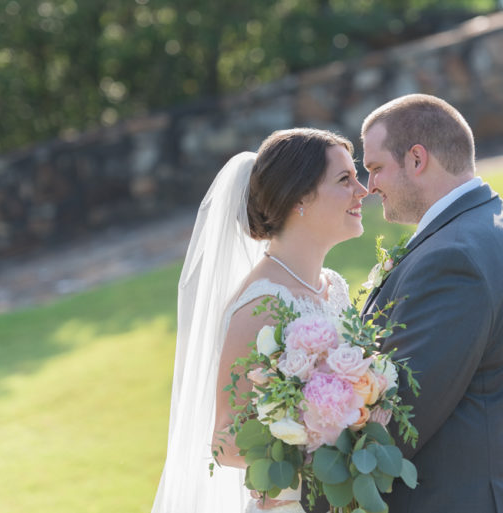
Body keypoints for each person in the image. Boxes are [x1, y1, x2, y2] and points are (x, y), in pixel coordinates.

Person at [359, 94, 503, 512]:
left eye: (376, 168)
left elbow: (404, 420)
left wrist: (303, 495)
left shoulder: (453, 258)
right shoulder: (487, 222)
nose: (369, 187)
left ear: (417, 159)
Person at [151, 128, 368, 513]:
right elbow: (225, 441)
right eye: (344, 179)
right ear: (300, 197)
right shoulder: (261, 303)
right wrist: (319, 441)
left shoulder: (332, 285)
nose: (362, 190)